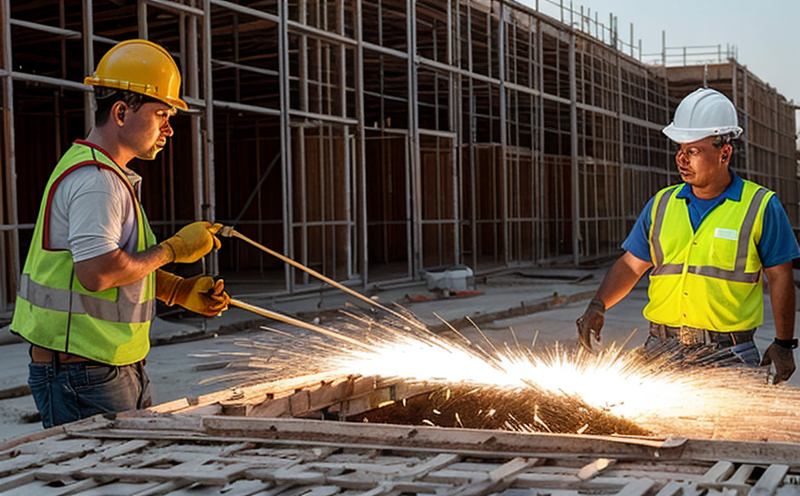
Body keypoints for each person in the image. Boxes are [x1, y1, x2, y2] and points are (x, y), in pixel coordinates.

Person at [10, 39, 231, 427]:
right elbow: (97, 273)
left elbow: (118, 266)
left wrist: (177, 290)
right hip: (84, 375)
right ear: (121, 112)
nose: (169, 129)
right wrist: (174, 249)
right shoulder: (97, 182)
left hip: (102, 369)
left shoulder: (105, 174)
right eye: (161, 113)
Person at [576, 87, 799, 384]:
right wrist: (599, 303)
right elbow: (631, 264)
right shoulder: (662, 204)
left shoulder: (760, 206)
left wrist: (784, 343)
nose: (681, 159)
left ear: (725, 153)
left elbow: (781, 277)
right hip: (660, 350)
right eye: (680, 149)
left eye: (693, 151)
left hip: (727, 353)